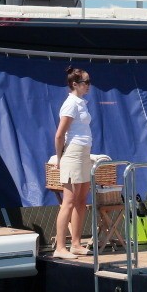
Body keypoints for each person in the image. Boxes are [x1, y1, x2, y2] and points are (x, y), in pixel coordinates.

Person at [52, 66, 93, 259]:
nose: (88, 85)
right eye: (85, 82)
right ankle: (60, 247)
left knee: (81, 200)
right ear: (75, 84)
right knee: (68, 202)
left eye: (89, 82)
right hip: (73, 154)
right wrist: (60, 159)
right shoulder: (70, 104)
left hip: (84, 153)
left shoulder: (82, 103)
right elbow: (59, 135)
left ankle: (76, 244)